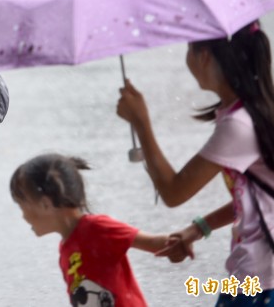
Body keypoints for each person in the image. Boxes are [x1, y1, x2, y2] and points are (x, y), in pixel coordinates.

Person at [117, 20, 274, 306]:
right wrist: (199, 228)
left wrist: (141, 122)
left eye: (190, 48)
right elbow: (258, 197)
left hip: (258, 282)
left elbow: (173, 191)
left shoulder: (238, 126)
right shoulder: (255, 111)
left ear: (204, 57)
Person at [10, 152, 169, 307]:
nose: (23, 216)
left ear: (45, 204)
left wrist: (191, 233)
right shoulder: (66, 248)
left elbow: (155, 242)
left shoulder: (98, 228)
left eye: (22, 206)